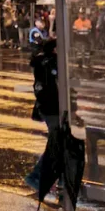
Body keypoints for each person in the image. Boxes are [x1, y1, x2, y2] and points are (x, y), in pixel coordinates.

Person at [25, 39, 60, 192]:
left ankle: (50, 178)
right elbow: (50, 88)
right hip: (51, 109)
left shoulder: (48, 62)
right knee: (56, 144)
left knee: (58, 143)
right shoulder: (49, 64)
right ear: (54, 49)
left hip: (52, 109)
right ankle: (36, 176)